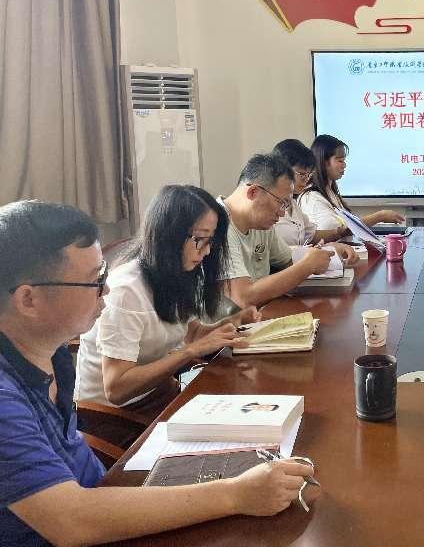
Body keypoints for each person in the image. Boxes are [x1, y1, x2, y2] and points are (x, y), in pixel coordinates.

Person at [0, 200, 314, 546]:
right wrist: (236, 495)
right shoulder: (5, 399)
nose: (106, 290)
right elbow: (70, 520)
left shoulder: (53, 353)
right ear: (27, 300)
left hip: (105, 497)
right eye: (94, 281)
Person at [74, 186, 256, 423]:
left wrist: (232, 322)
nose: (208, 251)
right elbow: (116, 388)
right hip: (113, 417)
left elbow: (191, 333)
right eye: (199, 239)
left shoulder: (179, 273)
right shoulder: (126, 290)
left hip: (159, 392)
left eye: (210, 240)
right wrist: (190, 352)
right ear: (169, 236)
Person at [220, 153, 334, 308]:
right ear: (253, 192)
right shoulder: (215, 226)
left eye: (286, 206)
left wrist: (326, 252)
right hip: (229, 322)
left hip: (260, 315)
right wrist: (307, 266)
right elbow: (243, 298)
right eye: (281, 203)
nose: (281, 213)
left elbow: (288, 261)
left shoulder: (260, 223)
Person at [271, 139, 358, 265]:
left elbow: (311, 235)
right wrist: (314, 251)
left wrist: (339, 233)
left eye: (309, 174)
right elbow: (277, 254)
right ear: (281, 170)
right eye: (302, 174)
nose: (306, 179)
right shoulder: (269, 208)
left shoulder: (293, 204)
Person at [298, 134, 405, 231]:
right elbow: (336, 230)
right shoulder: (312, 198)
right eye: (340, 161)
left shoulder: (330, 192)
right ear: (324, 162)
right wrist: (379, 216)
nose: (344, 165)